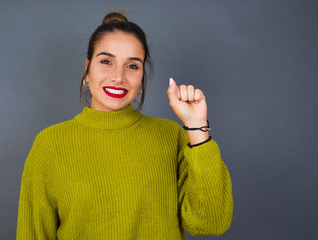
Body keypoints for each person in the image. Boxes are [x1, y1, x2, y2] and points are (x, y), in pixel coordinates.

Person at [16, 11, 233, 240]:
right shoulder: (49, 145)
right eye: (106, 62)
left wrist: (197, 127)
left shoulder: (171, 136)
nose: (118, 77)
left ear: (141, 78)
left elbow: (212, 223)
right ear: (87, 70)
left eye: (132, 66)